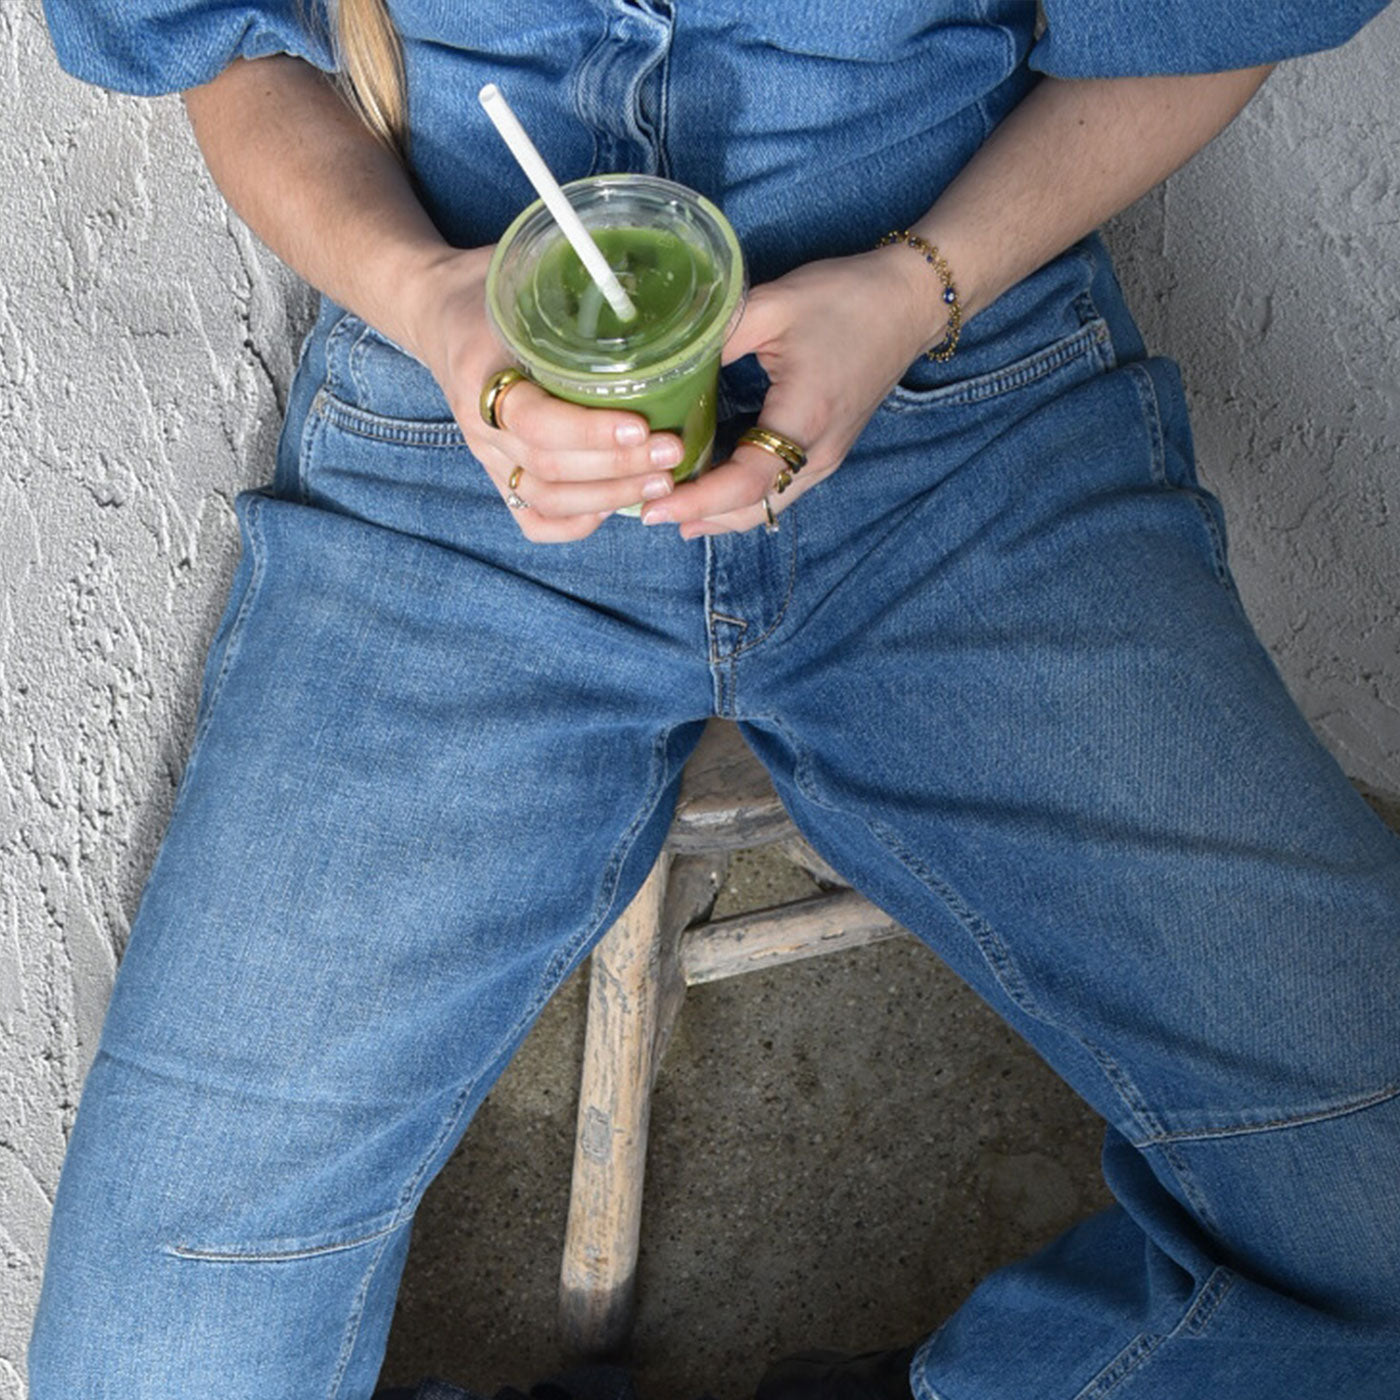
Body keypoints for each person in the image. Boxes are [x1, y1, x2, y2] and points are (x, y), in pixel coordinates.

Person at [26, 1, 1400, 1398]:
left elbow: (1206, 22)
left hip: (957, 398)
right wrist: (434, 304)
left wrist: (918, 284)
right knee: (139, 1371)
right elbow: (226, 55)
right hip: (470, 421)